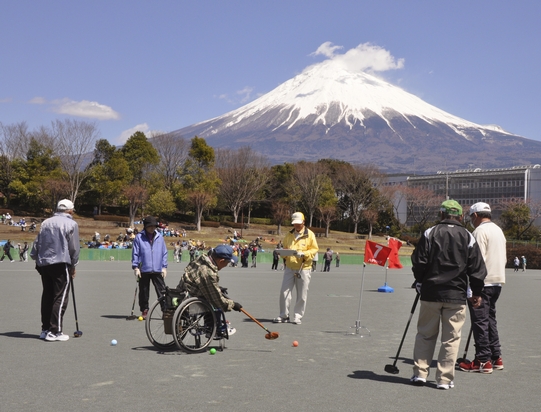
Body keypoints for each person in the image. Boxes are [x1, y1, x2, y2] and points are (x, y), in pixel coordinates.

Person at [410, 200, 487, 389]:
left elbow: (418, 261)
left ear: (441, 214)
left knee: (425, 334)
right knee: (451, 338)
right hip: (456, 294)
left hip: (430, 293)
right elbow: (477, 268)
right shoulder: (468, 236)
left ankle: (420, 373)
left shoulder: (430, 232)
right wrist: (477, 292)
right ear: (461, 216)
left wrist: (420, 280)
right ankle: (444, 379)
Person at [459, 202, 506, 373]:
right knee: (490, 320)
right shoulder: (498, 230)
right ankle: (496, 357)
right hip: (497, 281)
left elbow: (476, 261)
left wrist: (473, 287)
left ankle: (483, 360)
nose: (471, 221)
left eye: (471, 217)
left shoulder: (479, 231)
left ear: (476, 215)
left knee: (479, 321)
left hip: (482, 283)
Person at [31, 199, 80, 342]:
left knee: (47, 295)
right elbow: (74, 248)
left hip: (44, 264)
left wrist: (36, 258)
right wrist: (73, 265)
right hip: (60, 263)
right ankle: (55, 331)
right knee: (60, 297)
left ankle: (45, 329)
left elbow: (36, 243)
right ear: (70, 210)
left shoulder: (46, 222)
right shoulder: (71, 224)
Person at [177, 244, 242, 333]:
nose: (226, 265)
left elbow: (199, 279)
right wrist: (233, 305)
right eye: (227, 263)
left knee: (216, 293)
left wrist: (216, 287)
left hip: (184, 290)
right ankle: (215, 328)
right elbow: (218, 301)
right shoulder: (209, 273)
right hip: (192, 300)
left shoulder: (201, 259)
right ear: (221, 261)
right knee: (216, 302)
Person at [273, 212, 318, 325]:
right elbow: (285, 248)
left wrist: (303, 254)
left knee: (302, 294)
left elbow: (314, 250)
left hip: (304, 268)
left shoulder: (310, 235)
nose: (296, 225)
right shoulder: (289, 235)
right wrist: (282, 253)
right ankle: (283, 315)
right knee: (284, 292)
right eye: (295, 223)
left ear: (303, 221)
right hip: (289, 267)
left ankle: (298, 316)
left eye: (298, 223)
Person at [131, 216, 168, 319]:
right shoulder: (139, 237)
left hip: (157, 269)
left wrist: (164, 267)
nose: (152, 228)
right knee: (144, 291)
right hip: (144, 269)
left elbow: (164, 253)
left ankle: (165, 310)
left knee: (162, 291)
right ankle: (144, 310)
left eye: (154, 226)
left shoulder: (159, 237)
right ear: (145, 226)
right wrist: (136, 267)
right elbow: (135, 253)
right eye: (150, 226)